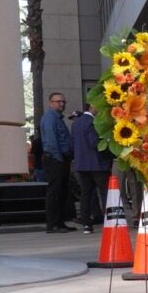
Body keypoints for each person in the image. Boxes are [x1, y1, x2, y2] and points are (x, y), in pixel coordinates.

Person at [71, 104, 112, 233]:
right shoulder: (92, 122)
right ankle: (110, 221)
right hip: (97, 164)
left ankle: (86, 224)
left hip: (81, 165)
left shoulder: (76, 123)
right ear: (92, 107)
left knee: (86, 195)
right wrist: (109, 145)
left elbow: (73, 144)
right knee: (105, 193)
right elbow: (95, 143)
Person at [41, 92, 74, 233]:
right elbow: (51, 141)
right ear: (50, 103)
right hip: (55, 159)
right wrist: (59, 158)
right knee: (55, 193)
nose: (62, 104)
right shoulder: (50, 118)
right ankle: (53, 224)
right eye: (58, 101)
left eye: (63, 101)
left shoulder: (57, 118)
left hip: (60, 159)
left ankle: (59, 223)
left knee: (61, 192)